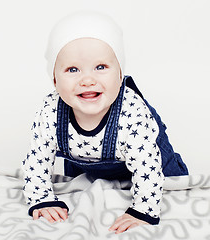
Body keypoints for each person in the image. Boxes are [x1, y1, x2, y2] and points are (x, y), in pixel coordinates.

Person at [22, 11, 188, 234]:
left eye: (100, 67)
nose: (87, 80)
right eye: (72, 70)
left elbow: (146, 165)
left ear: (120, 75)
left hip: (148, 160)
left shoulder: (132, 112)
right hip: (86, 159)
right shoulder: (51, 110)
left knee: (176, 189)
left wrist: (142, 209)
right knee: (80, 185)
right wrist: (41, 198)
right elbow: (37, 159)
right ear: (54, 80)